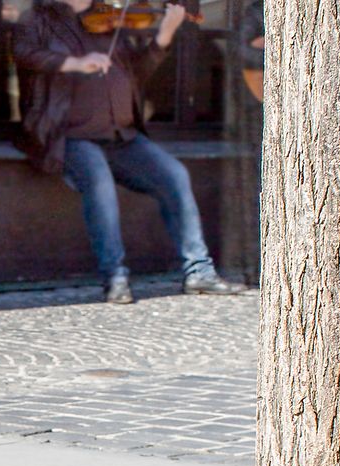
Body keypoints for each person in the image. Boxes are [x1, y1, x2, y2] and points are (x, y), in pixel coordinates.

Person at [14, 0, 247, 303]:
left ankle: (199, 272)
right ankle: (115, 276)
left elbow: (136, 73)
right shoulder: (38, 18)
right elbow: (25, 54)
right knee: (99, 183)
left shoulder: (109, 18)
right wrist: (73, 63)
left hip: (122, 136)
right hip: (70, 136)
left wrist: (165, 33)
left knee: (174, 175)